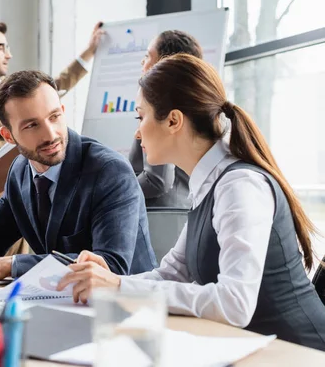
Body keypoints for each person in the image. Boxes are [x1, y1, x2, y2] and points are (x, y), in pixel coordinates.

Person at [57, 54, 325, 351]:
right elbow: (172, 274)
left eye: (140, 116)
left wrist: (119, 286)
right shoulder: (208, 182)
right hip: (255, 348)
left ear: (173, 120)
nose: (137, 131)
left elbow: (235, 304)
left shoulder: (239, 186)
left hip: (299, 352)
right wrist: (109, 281)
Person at [0, 70, 158, 279]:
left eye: (54, 117)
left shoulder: (109, 171)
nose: (50, 135)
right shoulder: (19, 170)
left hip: (128, 307)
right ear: (8, 136)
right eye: (32, 125)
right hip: (60, 301)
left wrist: (10, 265)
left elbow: (112, 265)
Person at [0, 21, 105, 255]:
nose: (9, 54)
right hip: (3, 199)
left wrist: (88, 53)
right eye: (1, 47)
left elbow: (50, 89)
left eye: (54, 117)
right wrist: (28, 140)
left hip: (28, 192)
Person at [129, 30, 203, 208]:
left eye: (148, 56)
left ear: (164, 63)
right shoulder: (191, 100)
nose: (142, 62)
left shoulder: (164, 106)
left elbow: (156, 180)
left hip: (161, 217)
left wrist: (116, 193)